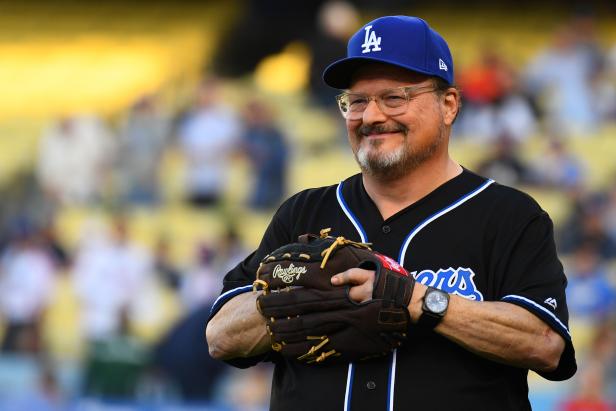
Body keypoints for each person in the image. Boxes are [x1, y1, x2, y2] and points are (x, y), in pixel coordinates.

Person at [206, 16, 577, 410]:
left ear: (448, 104)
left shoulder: (509, 215)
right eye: (357, 101)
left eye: (394, 98)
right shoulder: (303, 212)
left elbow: (545, 344)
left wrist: (418, 299)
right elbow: (220, 336)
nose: (371, 117)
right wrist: (299, 300)